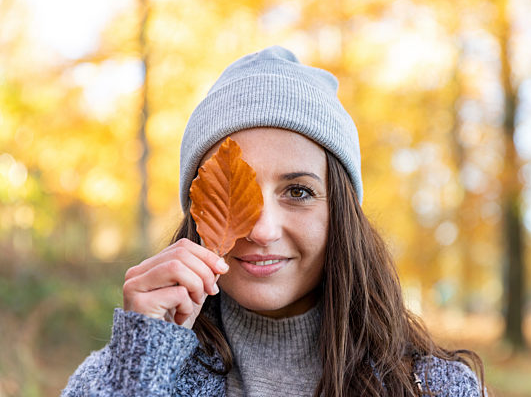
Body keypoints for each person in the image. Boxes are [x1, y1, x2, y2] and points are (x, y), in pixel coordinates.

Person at [62, 46, 485, 397]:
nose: (262, 231)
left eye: (297, 191)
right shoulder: (117, 376)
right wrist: (140, 368)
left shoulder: (435, 388)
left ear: (340, 215)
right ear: (197, 212)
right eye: (234, 194)